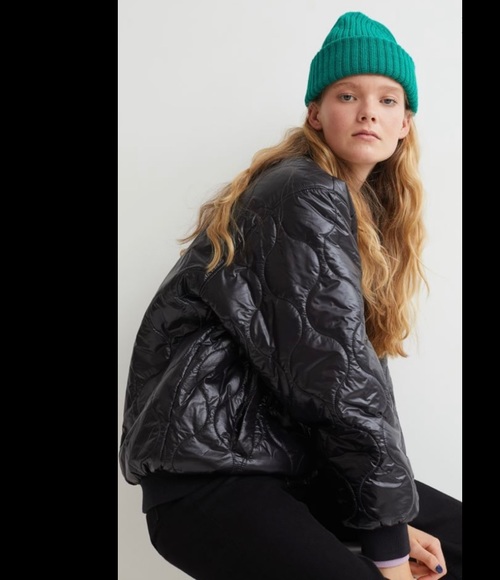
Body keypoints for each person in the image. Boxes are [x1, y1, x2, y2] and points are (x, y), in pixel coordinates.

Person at [119, 11, 462, 580]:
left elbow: (354, 383)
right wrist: (388, 548)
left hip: (284, 466)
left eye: (387, 99)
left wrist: (388, 521)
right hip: (214, 479)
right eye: (347, 95)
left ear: (405, 123)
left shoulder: (357, 215)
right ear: (315, 114)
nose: (368, 111)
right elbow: (340, 384)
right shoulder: (303, 193)